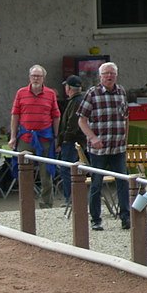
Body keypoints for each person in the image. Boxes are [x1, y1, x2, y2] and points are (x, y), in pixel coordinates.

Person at [77, 61, 131, 231]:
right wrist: (92, 138)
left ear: (116, 75)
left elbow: (126, 118)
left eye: (112, 73)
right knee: (96, 184)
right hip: (99, 149)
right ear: (100, 76)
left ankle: (126, 217)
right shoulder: (92, 94)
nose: (109, 76)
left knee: (123, 182)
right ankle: (96, 219)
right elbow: (81, 120)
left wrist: (125, 139)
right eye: (106, 73)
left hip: (118, 148)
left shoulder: (122, 92)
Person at [8, 64, 60, 209]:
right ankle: (26, 203)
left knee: (46, 173)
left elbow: (56, 116)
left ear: (44, 78)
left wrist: (56, 138)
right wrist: (13, 137)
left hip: (45, 138)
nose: (36, 78)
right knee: (23, 171)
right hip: (25, 137)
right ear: (29, 77)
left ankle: (46, 204)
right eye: (33, 76)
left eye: (39, 76)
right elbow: (15, 115)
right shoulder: (21, 93)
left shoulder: (50, 94)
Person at [56, 75, 87, 207]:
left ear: (69, 88)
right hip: (76, 140)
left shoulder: (76, 102)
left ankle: (71, 198)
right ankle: (72, 198)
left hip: (73, 141)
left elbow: (72, 125)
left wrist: (64, 140)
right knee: (69, 169)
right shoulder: (79, 100)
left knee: (67, 169)